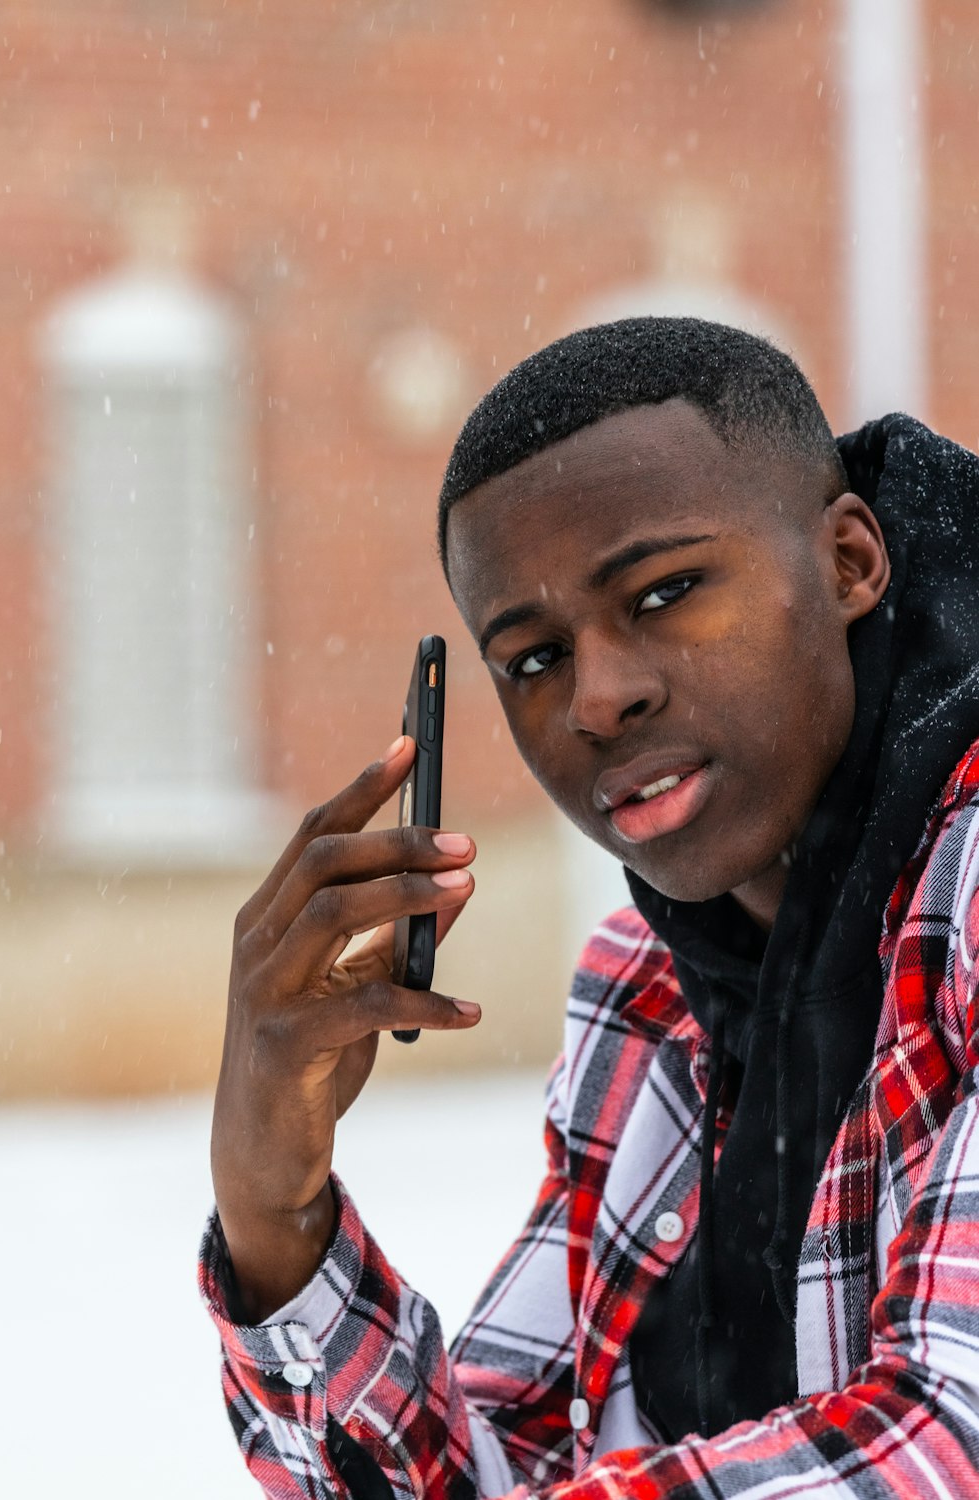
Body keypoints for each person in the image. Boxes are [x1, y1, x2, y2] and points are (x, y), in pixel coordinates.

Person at [201, 317, 979, 1499]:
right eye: (531, 658)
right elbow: (499, 1466)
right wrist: (273, 1214)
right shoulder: (644, 986)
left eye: (664, 592)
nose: (597, 698)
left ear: (850, 564)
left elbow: (942, 1448)